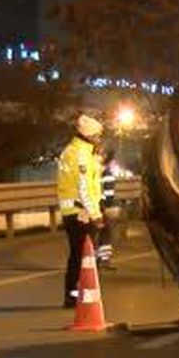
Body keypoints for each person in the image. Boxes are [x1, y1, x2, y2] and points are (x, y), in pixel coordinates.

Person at [57, 114, 104, 308]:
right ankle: (73, 295)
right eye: (98, 135)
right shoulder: (81, 154)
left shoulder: (75, 150)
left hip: (74, 211)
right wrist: (96, 214)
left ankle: (75, 293)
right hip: (80, 212)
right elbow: (84, 188)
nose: (100, 138)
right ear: (90, 135)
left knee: (78, 254)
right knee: (81, 255)